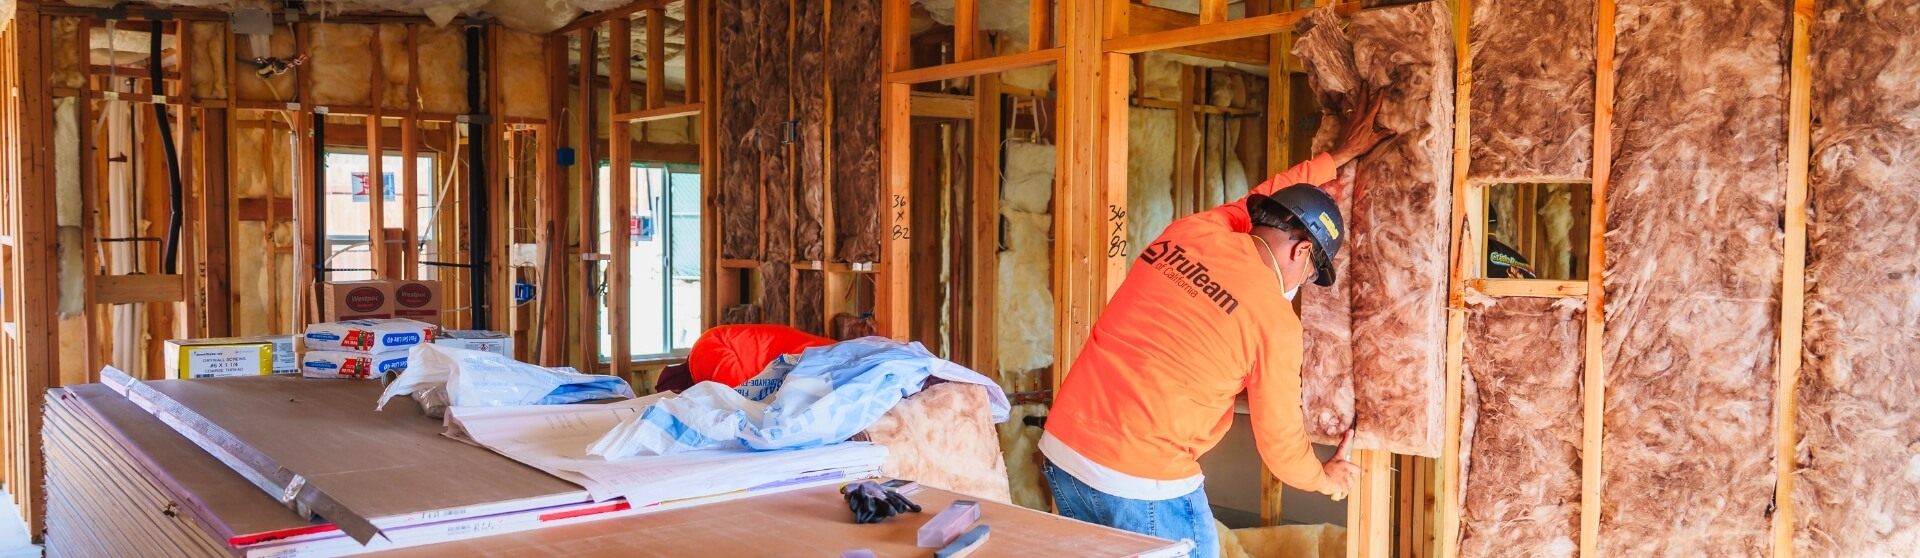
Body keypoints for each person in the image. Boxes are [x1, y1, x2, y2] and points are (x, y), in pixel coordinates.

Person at [1040, 89, 1394, 556]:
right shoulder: (1275, 322)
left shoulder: (1193, 230)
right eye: (1311, 272)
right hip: (1143, 480)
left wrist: (1338, 156)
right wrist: (1324, 479)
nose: (1305, 282)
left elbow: (1257, 201)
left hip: (1065, 447)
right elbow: (1281, 445)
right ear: (1303, 251)